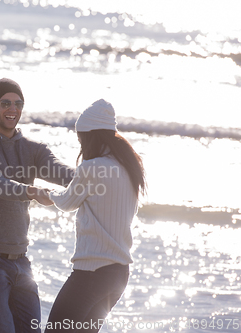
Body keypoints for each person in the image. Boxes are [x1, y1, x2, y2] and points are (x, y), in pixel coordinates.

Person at [0, 78, 75, 333]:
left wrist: (95, 177)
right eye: (5, 103)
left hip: (21, 260)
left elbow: (63, 172)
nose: (13, 109)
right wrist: (32, 192)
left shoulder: (32, 150)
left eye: (18, 103)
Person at [41, 99, 146, 333]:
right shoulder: (130, 167)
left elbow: (68, 202)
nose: (80, 144)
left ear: (91, 135)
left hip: (92, 274)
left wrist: (45, 193)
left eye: (81, 138)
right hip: (118, 275)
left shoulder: (91, 167)